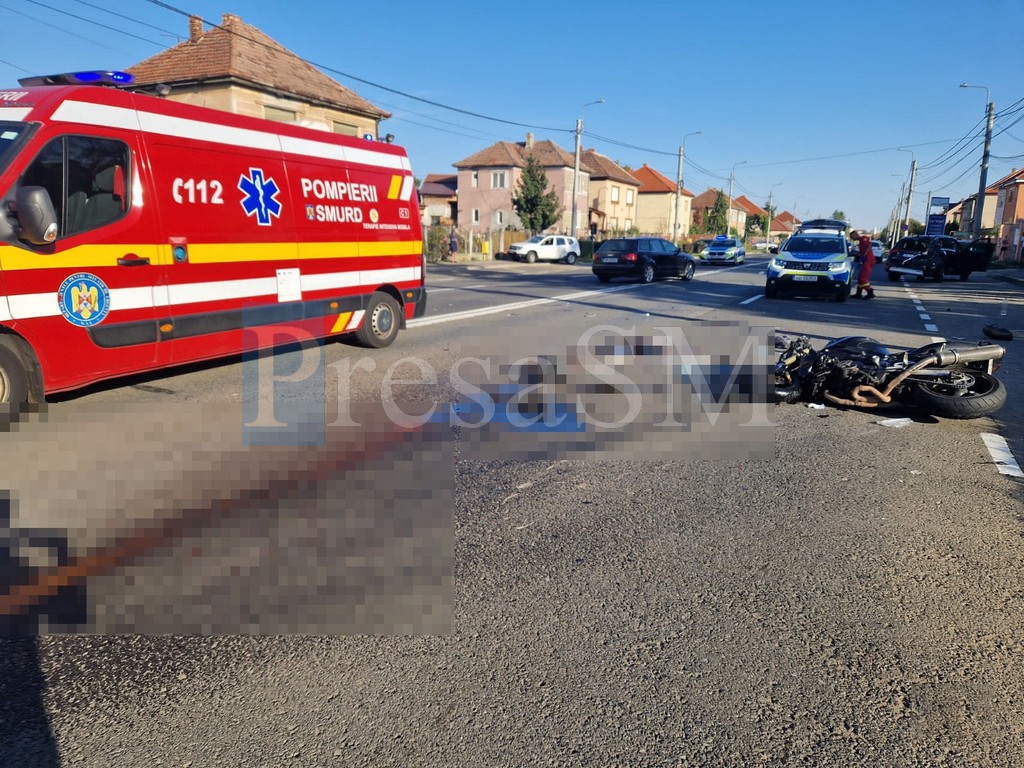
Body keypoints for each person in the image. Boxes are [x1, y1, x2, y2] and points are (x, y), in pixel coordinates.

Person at [851, 230, 875, 299]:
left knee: (863, 277)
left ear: (855, 234)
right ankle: (858, 293)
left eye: (852, 237)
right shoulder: (860, 241)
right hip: (865, 260)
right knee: (860, 277)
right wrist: (859, 255)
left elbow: (869, 245)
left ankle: (870, 291)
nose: (852, 239)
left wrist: (864, 255)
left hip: (869, 260)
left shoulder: (863, 238)